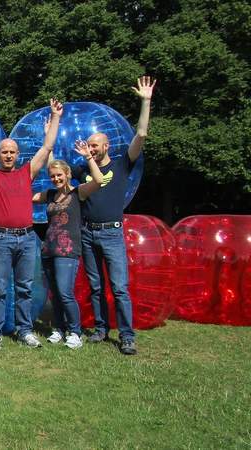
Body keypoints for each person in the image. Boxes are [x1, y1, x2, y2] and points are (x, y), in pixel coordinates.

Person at [0, 98, 62, 349]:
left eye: (12, 152)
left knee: (25, 288)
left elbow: (47, 148)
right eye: (4, 151)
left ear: (17, 155)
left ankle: (25, 330)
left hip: (27, 238)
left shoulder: (26, 172)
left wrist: (56, 117)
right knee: (0, 287)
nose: (8, 155)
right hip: (1, 239)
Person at [73, 76, 156, 355]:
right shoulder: (82, 169)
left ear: (106, 146)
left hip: (111, 233)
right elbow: (54, 169)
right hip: (88, 232)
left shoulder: (122, 165)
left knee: (119, 287)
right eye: (89, 146)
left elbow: (141, 135)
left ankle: (127, 336)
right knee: (95, 286)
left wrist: (146, 101)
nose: (91, 149)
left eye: (95, 146)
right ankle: (100, 329)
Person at [32, 141, 103, 349]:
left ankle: (75, 332)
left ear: (68, 173)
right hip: (49, 249)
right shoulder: (51, 195)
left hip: (68, 251)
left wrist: (89, 157)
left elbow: (99, 180)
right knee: (54, 294)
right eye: (52, 176)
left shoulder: (78, 192)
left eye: (59, 175)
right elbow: (26, 197)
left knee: (65, 292)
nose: (55, 178)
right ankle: (59, 329)